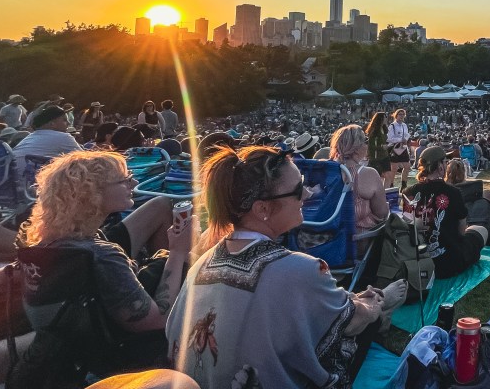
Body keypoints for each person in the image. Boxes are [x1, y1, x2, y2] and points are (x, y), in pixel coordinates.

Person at [166, 146, 406, 389]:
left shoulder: (201, 265)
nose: (307, 195)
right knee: (360, 325)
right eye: (297, 189)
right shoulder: (301, 270)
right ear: (263, 209)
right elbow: (352, 322)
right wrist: (375, 304)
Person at [0, 151, 192, 387]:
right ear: (92, 195)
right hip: (118, 358)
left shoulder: (50, 244)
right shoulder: (102, 255)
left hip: (75, 344)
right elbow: (158, 319)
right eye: (124, 179)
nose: (134, 182)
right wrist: (178, 252)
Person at [403, 146, 487, 279]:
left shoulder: (408, 193)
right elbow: (461, 232)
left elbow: (407, 227)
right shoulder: (453, 192)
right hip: (448, 263)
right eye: (445, 162)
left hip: (419, 262)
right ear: (440, 166)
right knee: (481, 230)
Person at [330, 125, 389, 235]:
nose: (367, 144)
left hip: (325, 238)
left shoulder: (325, 170)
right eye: (365, 140)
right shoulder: (368, 173)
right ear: (357, 148)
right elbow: (382, 213)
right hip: (355, 241)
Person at [11, 104, 81, 171]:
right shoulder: (63, 137)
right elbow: (84, 159)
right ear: (52, 124)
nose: (68, 123)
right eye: (64, 120)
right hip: (32, 180)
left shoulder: (32, 136)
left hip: (14, 178)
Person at [364, 112, 392, 188]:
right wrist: (381, 147)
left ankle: (385, 193)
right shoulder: (374, 131)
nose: (386, 119)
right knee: (377, 177)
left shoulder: (384, 129)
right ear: (381, 119)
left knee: (388, 176)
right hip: (376, 157)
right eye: (385, 117)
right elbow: (371, 146)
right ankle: (376, 193)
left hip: (385, 156)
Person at [387, 109, 411, 190]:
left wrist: (405, 139)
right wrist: (400, 139)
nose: (401, 116)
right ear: (396, 115)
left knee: (407, 166)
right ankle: (391, 184)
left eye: (403, 114)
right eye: (400, 114)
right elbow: (389, 138)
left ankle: (404, 184)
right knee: (394, 168)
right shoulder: (392, 126)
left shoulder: (404, 125)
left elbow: (407, 134)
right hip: (395, 147)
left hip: (403, 147)